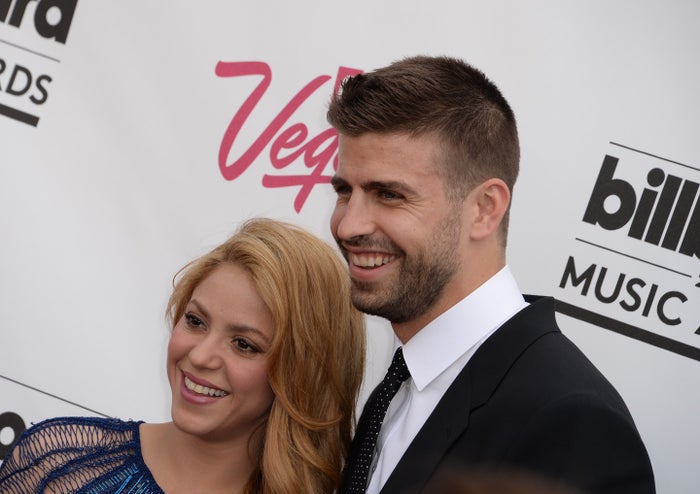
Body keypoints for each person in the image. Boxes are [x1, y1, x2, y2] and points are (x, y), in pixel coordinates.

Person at [327, 55, 655, 494]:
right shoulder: (398, 385)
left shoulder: (571, 420)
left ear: (484, 209)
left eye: (388, 195)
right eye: (344, 191)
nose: (348, 225)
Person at [0, 218, 366, 494]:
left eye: (244, 344)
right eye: (195, 321)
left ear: (301, 374)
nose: (201, 356)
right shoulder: (59, 464)